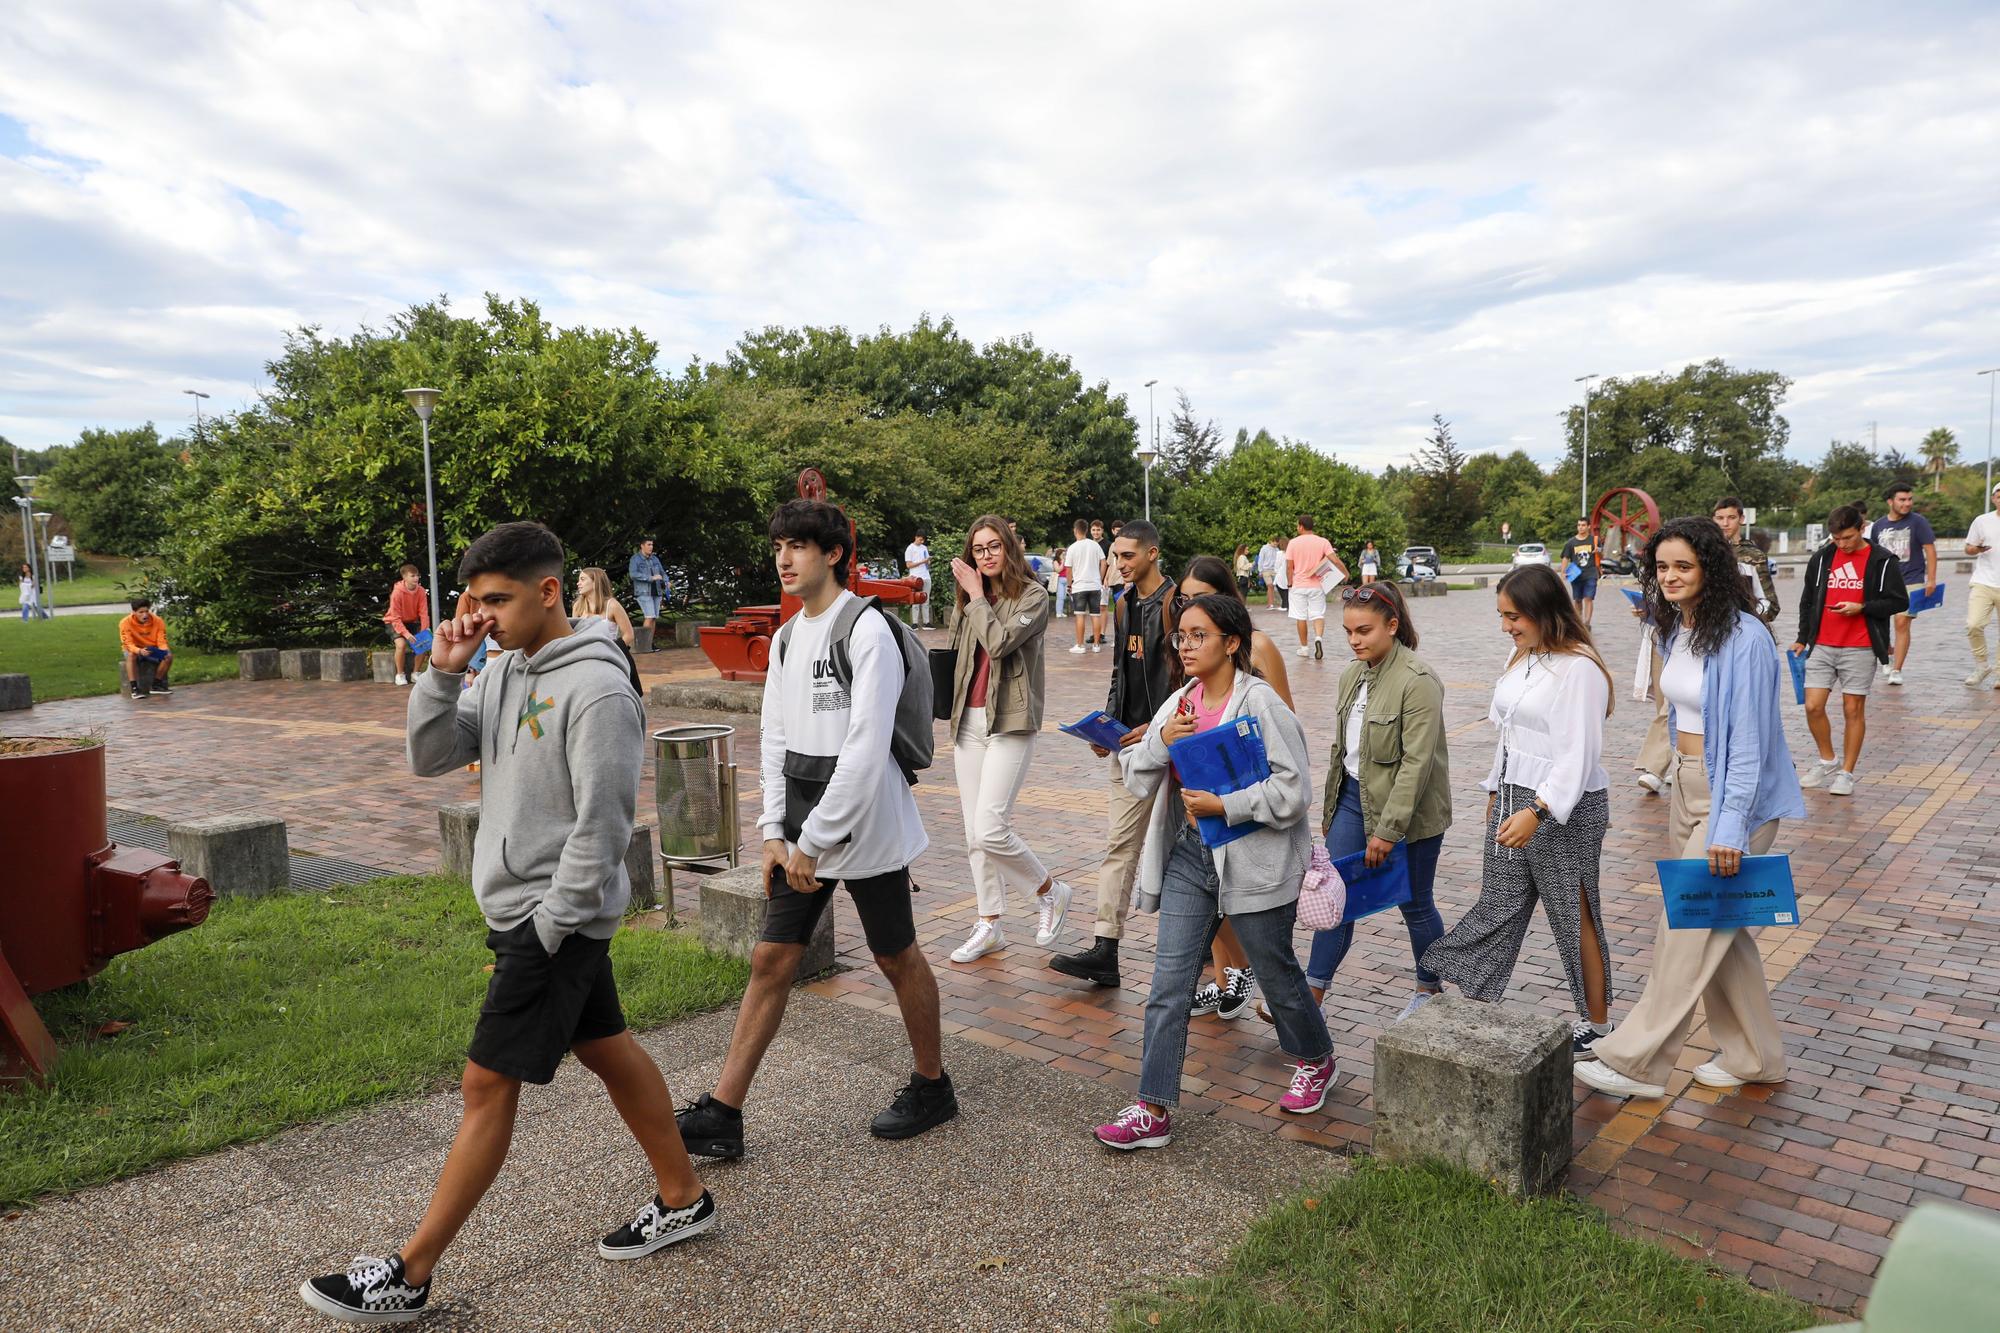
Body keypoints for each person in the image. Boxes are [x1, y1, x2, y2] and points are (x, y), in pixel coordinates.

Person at [300, 522, 713, 1324]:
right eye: (472, 600)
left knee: (485, 1085)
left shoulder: (597, 687)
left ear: (549, 591)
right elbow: (430, 758)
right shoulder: (499, 668)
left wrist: (546, 929)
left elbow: (603, 827)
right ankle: (684, 1194)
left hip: (550, 917)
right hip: (529, 911)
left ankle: (410, 1272)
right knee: (605, 1046)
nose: (479, 615)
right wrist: (441, 672)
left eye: (497, 599)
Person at [675, 498, 955, 1160]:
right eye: (778, 545)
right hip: (803, 829)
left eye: (798, 544)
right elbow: (773, 735)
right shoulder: (786, 635)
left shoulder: (867, 631)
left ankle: (932, 1083)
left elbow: (863, 751)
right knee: (772, 957)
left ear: (833, 553)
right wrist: (775, 831)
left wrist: (815, 842)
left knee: (895, 954)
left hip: (866, 823)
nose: (784, 556)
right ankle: (724, 1111)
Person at [1090, 594, 1336, 1150]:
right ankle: (1152, 1107)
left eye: (1200, 635)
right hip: (1190, 856)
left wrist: (1228, 807)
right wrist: (1160, 741)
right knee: (1168, 983)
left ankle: (1316, 1059)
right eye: (1182, 636)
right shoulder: (1178, 704)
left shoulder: (1261, 703)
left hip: (1254, 858)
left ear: (1232, 642)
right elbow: (1134, 774)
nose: (1187, 645)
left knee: (1276, 974)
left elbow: (1293, 790)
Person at [1575, 517, 1805, 1100]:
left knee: (1685, 929)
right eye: (1662, 567)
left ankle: (1638, 1062)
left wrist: (1729, 825)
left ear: (1711, 570)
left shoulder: (1746, 637)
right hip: (1688, 785)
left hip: (1734, 800)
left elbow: (1750, 742)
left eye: (1684, 566)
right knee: (1721, 933)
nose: (1671, 577)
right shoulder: (1680, 627)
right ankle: (1757, 1058)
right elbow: (1681, 712)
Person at [1422, 564, 1615, 1055]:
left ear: (1544, 612)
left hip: (1560, 809)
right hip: (1512, 798)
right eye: (1503, 616)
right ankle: (1467, 992)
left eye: (1514, 616)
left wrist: (1539, 809)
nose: (1506, 626)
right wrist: (1496, 790)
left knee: (1573, 913)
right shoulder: (1522, 655)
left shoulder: (1580, 669)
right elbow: (1507, 731)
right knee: (1500, 905)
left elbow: (1578, 756)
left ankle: (1597, 1025)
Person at [1303, 582, 1450, 1019]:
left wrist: (1388, 831)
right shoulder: (1352, 674)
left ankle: (1429, 988)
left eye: (1364, 631)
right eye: (1348, 632)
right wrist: (1331, 809)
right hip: (1352, 798)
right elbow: (1340, 750)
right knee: (1335, 895)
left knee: (1415, 903)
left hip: (1413, 814)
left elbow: (1417, 764)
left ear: (1393, 625)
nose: (1354, 640)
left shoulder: (1418, 681)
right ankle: (1311, 997)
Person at [942, 516, 1073, 962]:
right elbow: (960, 660)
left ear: (1010, 548)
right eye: (978, 550)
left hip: (1010, 722)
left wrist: (977, 597)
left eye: (994, 546)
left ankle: (1050, 891)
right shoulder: (968, 600)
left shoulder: (1033, 597)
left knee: (991, 827)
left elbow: (998, 644)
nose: (986, 556)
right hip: (968, 722)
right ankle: (989, 923)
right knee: (973, 835)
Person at [1170, 555, 1295, 1022]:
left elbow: (1284, 719)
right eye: (1185, 598)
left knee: (1248, 900)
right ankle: (1227, 979)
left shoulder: (1256, 646)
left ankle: (1267, 990)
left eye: (1202, 597)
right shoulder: (1190, 648)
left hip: (1248, 791)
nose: (1190, 607)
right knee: (1210, 883)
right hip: (1200, 788)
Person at [1051, 520, 1172, 988]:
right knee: (1120, 846)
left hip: (1173, 744)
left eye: (1126, 556)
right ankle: (1106, 948)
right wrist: (1106, 725)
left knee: (1192, 850)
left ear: (1152, 554)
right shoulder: (1122, 605)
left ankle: (1214, 951)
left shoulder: (1175, 605)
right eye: (1115, 557)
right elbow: (1120, 672)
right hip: (1128, 746)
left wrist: (1155, 727)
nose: (1118, 565)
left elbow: (1188, 681)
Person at [1791, 506, 1906, 796]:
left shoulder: (1882, 560)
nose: (1842, 544)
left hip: (1860, 645)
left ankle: (1847, 773)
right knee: (1813, 705)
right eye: (1836, 538)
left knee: (1852, 709)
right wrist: (1803, 638)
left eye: (1848, 537)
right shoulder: (1822, 558)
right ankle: (1828, 759)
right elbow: (1807, 600)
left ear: (1862, 527)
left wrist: (1863, 608)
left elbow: (1898, 601)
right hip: (1822, 643)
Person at [1872, 482, 1936, 686]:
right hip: (1884, 581)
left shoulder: (1918, 522)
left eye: (1909, 499)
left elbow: (1930, 550)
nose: (1907, 503)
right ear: (1890, 501)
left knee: (1901, 622)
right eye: (1902, 499)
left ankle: (1897, 670)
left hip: (1911, 580)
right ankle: (1888, 652)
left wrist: (1931, 579)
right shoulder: (1879, 525)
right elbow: (1872, 553)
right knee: (1878, 623)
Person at [1286, 515, 1347, 660]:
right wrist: (1345, 572)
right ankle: (1318, 638)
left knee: (1300, 616)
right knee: (1318, 614)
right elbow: (1334, 559)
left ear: (1301, 526)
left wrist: (1290, 583)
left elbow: (1289, 567)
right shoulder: (1323, 542)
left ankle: (1304, 648)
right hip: (1317, 585)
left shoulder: (1293, 543)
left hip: (1299, 584)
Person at [1712, 498, 1779, 626]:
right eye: (1720, 518)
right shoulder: (1704, 552)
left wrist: (1745, 621)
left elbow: (1771, 605)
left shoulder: (1754, 557)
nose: (1725, 523)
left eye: (1731, 517)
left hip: (1742, 630)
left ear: (1741, 519)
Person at [1964, 481, 2000, 688]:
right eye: (1999, 495)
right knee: (1974, 624)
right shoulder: (1981, 521)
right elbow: (1968, 547)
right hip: (1983, 582)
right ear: (1994, 498)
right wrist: (1976, 549)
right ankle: (1982, 665)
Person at [383, 564, 432, 686]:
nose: (416, 578)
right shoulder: (397, 593)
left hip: (412, 621)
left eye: (417, 575)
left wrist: (425, 630)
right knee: (401, 644)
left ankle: (416, 673)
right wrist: (406, 634)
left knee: (424, 642)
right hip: (394, 621)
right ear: (404, 577)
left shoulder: (421, 591)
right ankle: (400, 674)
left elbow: (424, 613)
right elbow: (395, 617)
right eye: (412, 576)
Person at [1064, 519, 1105, 654]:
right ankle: (1096, 645)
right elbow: (1103, 562)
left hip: (1079, 586)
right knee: (1096, 615)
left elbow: (1068, 570)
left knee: (1080, 615)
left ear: (1075, 530)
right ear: (1087, 530)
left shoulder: (1072, 548)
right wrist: (1100, 577)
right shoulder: (1095, 545)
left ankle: (1080, 645)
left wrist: (1069, 585)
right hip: (1095, 585)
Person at [118, 597, 173, 698]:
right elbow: (128, 643)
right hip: (134, 649)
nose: (145, 615)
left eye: (147, 611)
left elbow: (162, 641)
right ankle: (134, 689)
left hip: (151, 648)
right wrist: (139, 650)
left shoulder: (158, 621)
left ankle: (156, 685)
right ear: (134, 612)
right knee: (131, 655)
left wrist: (164, 651)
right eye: (141, 612)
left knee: (168, 655)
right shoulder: (125, 622)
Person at [572, 567, 637, 648]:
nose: (578, 583)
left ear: (595, 582)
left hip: (606, 657)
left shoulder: (612, 605)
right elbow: (573, 635)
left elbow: (629, 635)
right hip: (582, 655)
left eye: (582, 579)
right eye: (579, 580)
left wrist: (612, 651)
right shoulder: (577, 606)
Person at [1560, 518, 1600, 627]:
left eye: (1583, 525)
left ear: (1588, 527)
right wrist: (1563, 572)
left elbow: (1602, 554)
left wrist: (1599, 551)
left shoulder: (1594, 540)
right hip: (1576, 574)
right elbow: (1565, 558)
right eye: (1579, 525)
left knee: (1588, 598)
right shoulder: (1571, 542)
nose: (1580, 527)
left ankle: (1587, 623)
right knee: (1577, 600)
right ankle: (1579, 623)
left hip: (1591, 573)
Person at [628, 539, 668, 645]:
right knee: (649, 616)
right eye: (648, 544)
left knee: (653, 618)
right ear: (642, 546)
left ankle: (650, 643)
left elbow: (663, 573)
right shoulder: (635, 559)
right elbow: (633, 574)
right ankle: (643, 643)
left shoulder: (655, 559)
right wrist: (651, 578)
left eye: (652, 545)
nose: (651, 547)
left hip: (657, 591)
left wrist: (667, 581)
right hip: (643, 592)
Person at [902, 531, 933, 628]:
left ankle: (926, 622)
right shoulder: (910, 548)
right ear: (916, 537)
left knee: (926, 599)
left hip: (926, 575)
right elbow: (909, 565)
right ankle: (914, 623)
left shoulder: (924, 548)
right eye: (920, 539)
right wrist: (922, 561)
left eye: (923, 540)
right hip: (915, 577)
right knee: (915, 599)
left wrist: (928, 562)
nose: (922, 542)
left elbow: (927, 562)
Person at [1101, 520, 1126, 639]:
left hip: (1123, 581)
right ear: (1112, 531)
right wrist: (1105, 578)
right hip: (1113, 581)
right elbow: (1110, 563)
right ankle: (1118, 636)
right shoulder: (1112, 545)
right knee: (1117, 609)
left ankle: (1121, 636)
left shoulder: (1127, 544)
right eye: (1117, 530)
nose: (1118, 532)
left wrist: (1127, 582)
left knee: (1122, 609)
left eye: (1121, 529)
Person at [1256, 538, 1283, 609]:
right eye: (1275, 543)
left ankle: (1281, 603)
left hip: (1274, 570)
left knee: (1278, 587)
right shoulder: (1264, 548)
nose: (1276, 545)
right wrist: (1260, 571)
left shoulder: (1277, 549)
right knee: (1270, 586)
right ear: (1271, 541)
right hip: (1266, 570)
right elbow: (1261, 560)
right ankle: (1270, 604)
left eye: (1277, 543)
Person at [1271, 533, 1291, 611]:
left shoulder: (1279, 553)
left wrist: (1275, 572)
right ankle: (1285, 605)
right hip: (1288, 573)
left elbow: (1277, 565)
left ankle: (1285, 605)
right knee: (1287, 589)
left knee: (1281, 589)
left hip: (1281, 574)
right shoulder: (1290, 553)